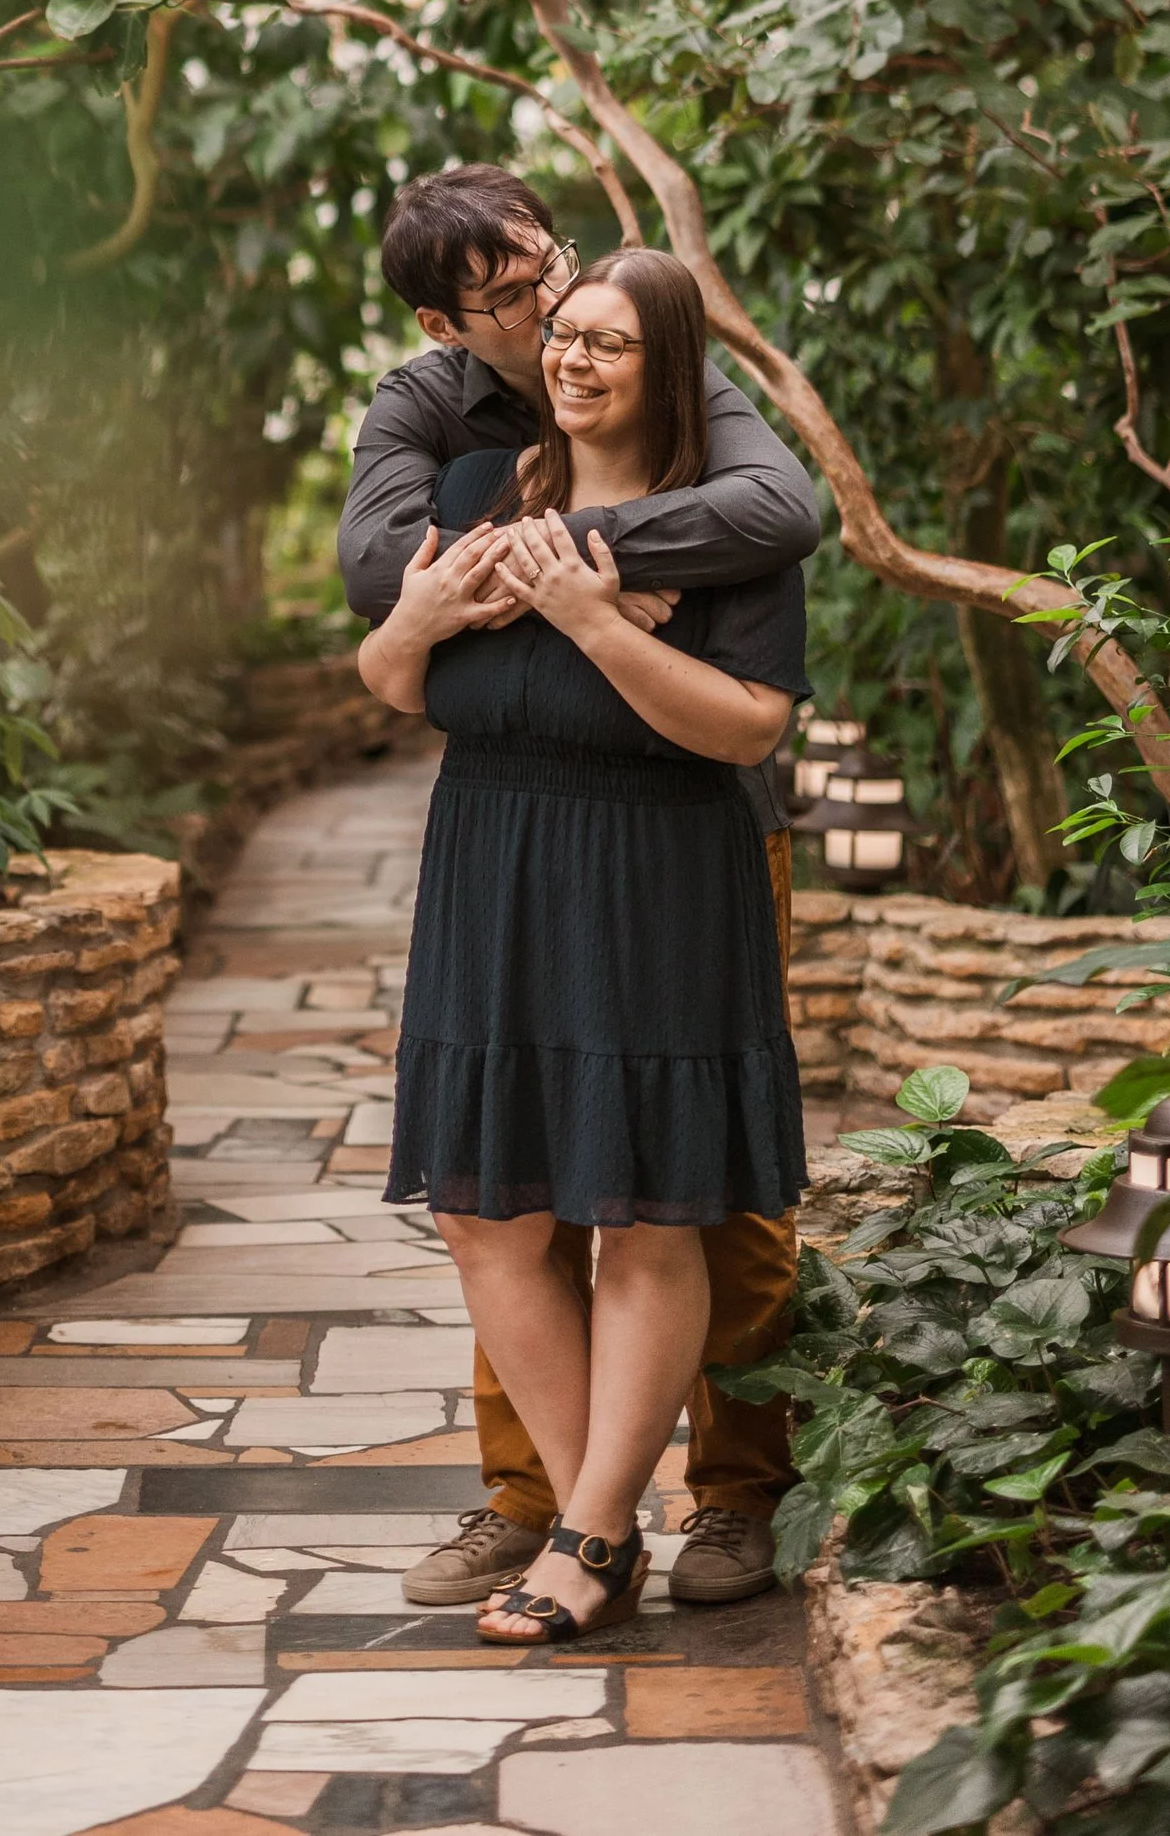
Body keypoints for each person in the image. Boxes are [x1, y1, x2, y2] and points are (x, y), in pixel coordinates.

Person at [340, 164, 819, 1611]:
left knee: (680, 1193)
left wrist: (585, 584)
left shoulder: (701, 452)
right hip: (498, 859)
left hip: (670, 851)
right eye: (521, 298)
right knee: (502, 1197)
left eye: (557, 272)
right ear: (451, 318)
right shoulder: (443, 431)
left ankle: (729, 1493)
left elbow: (779, 518)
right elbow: (380, 585)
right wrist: (438, 601)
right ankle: (565, 1514)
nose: (554, 310)